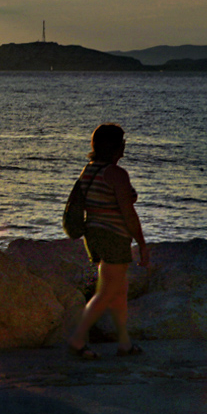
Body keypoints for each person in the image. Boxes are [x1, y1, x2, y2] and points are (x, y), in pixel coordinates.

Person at [66, 123, 149, 359]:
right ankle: (77, 340)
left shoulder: (89, 169)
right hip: (113, 237)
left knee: (119, 290)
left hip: (94, 236)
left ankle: (124, 344)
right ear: (114, 146)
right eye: (122, 141)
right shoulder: (116, 174)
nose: (124, 145)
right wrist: (142, 244)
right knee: (108, 291)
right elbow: (128, 213)